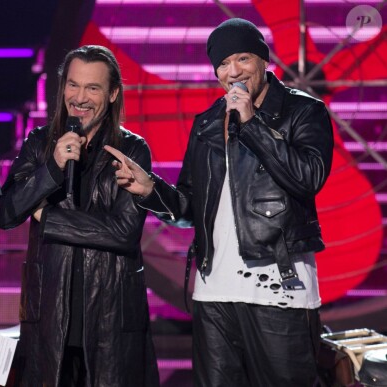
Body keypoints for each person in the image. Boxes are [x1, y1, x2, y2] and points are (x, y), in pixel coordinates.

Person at [106, 18, 334, 386]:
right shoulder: (208, 122)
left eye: (243, 59)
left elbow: (308, 178)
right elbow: (190, 207)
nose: (233, 72)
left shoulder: (304, 112)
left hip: (280, 286)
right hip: (214, 290)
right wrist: (150, 190)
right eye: (223, 64)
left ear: (264, 60)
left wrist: (251, 122)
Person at [0, 45, 160, 386]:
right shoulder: (40, 143)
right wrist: (51, 169)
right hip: (50, 316)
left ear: (113, 93)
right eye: (73, 85)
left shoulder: (132, 149)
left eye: (92, 88)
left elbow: (123, 232)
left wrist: (47, 218)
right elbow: (6, 213)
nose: (79, 98)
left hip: (110, 318)